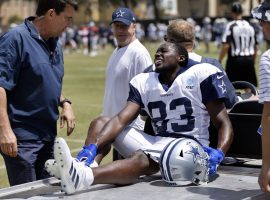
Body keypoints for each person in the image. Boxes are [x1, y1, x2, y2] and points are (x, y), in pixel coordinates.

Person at [46, 42, 234, 194]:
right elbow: (121, 120)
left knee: (141, 159)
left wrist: (218, 154)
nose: (157, 54)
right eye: (156, 52)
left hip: (189, 149)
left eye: (164, 51)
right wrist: (91, 148)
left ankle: (84, 177)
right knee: (101, 122)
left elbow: (223, 123)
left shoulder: (200, 75)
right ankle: (81, 166)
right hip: (159, 141)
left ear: (181, 57)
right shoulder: (145, 81)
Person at [0, 0, 77, 186]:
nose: (69, 25)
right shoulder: (15, 39)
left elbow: (46, 79)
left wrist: (65, 102)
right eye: (66, 18)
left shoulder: (55, 43)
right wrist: (4, 130)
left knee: (51, 193)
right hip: (22, 140)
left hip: (48, 137)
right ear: (51, 13)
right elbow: (1, 85)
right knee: (27, 195)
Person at [76, 7, 152, 164]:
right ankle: (82, 169)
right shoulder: (117, 50)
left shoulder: (139, 53)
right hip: (113, 125)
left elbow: (146, 93)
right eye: (117, 26)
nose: (120, 31)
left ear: (134, 26)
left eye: (124, 26)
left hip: (129, 128)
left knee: (126, 181)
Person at [161, 19, 238, 109]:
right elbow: (230, 101)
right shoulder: (212, 65)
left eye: (166, 39)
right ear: (193, 40)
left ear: (171, 41)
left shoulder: (154, 69)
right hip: (203, 122)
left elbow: (144, 113)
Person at [252, 0, 270, 193]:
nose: (260, 25)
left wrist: (266, 166)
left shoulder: (268, 58)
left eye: (263, 20)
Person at [219, 2, 258, 87]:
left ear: (232, 12)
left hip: (235, 60)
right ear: (242, 12)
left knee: (231, 86)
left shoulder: (231, 26)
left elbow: (226, 45)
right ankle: (249, 100)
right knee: (249, 87)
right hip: (249, 60)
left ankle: (235, 101)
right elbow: (255, 47)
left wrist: (220, 59)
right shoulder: (250, 26)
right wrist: (253, 61)